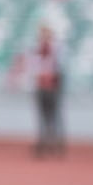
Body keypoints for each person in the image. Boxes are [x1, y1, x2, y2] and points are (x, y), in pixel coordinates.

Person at [26, 24, 64, 158]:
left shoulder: (57, 50)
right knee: (42, 117)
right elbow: (33, 68)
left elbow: (59, 69)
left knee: (53, 117)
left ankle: (55, 143)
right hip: (40, 87)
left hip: (52, 88)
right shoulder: (36, 50)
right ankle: (43, 143)